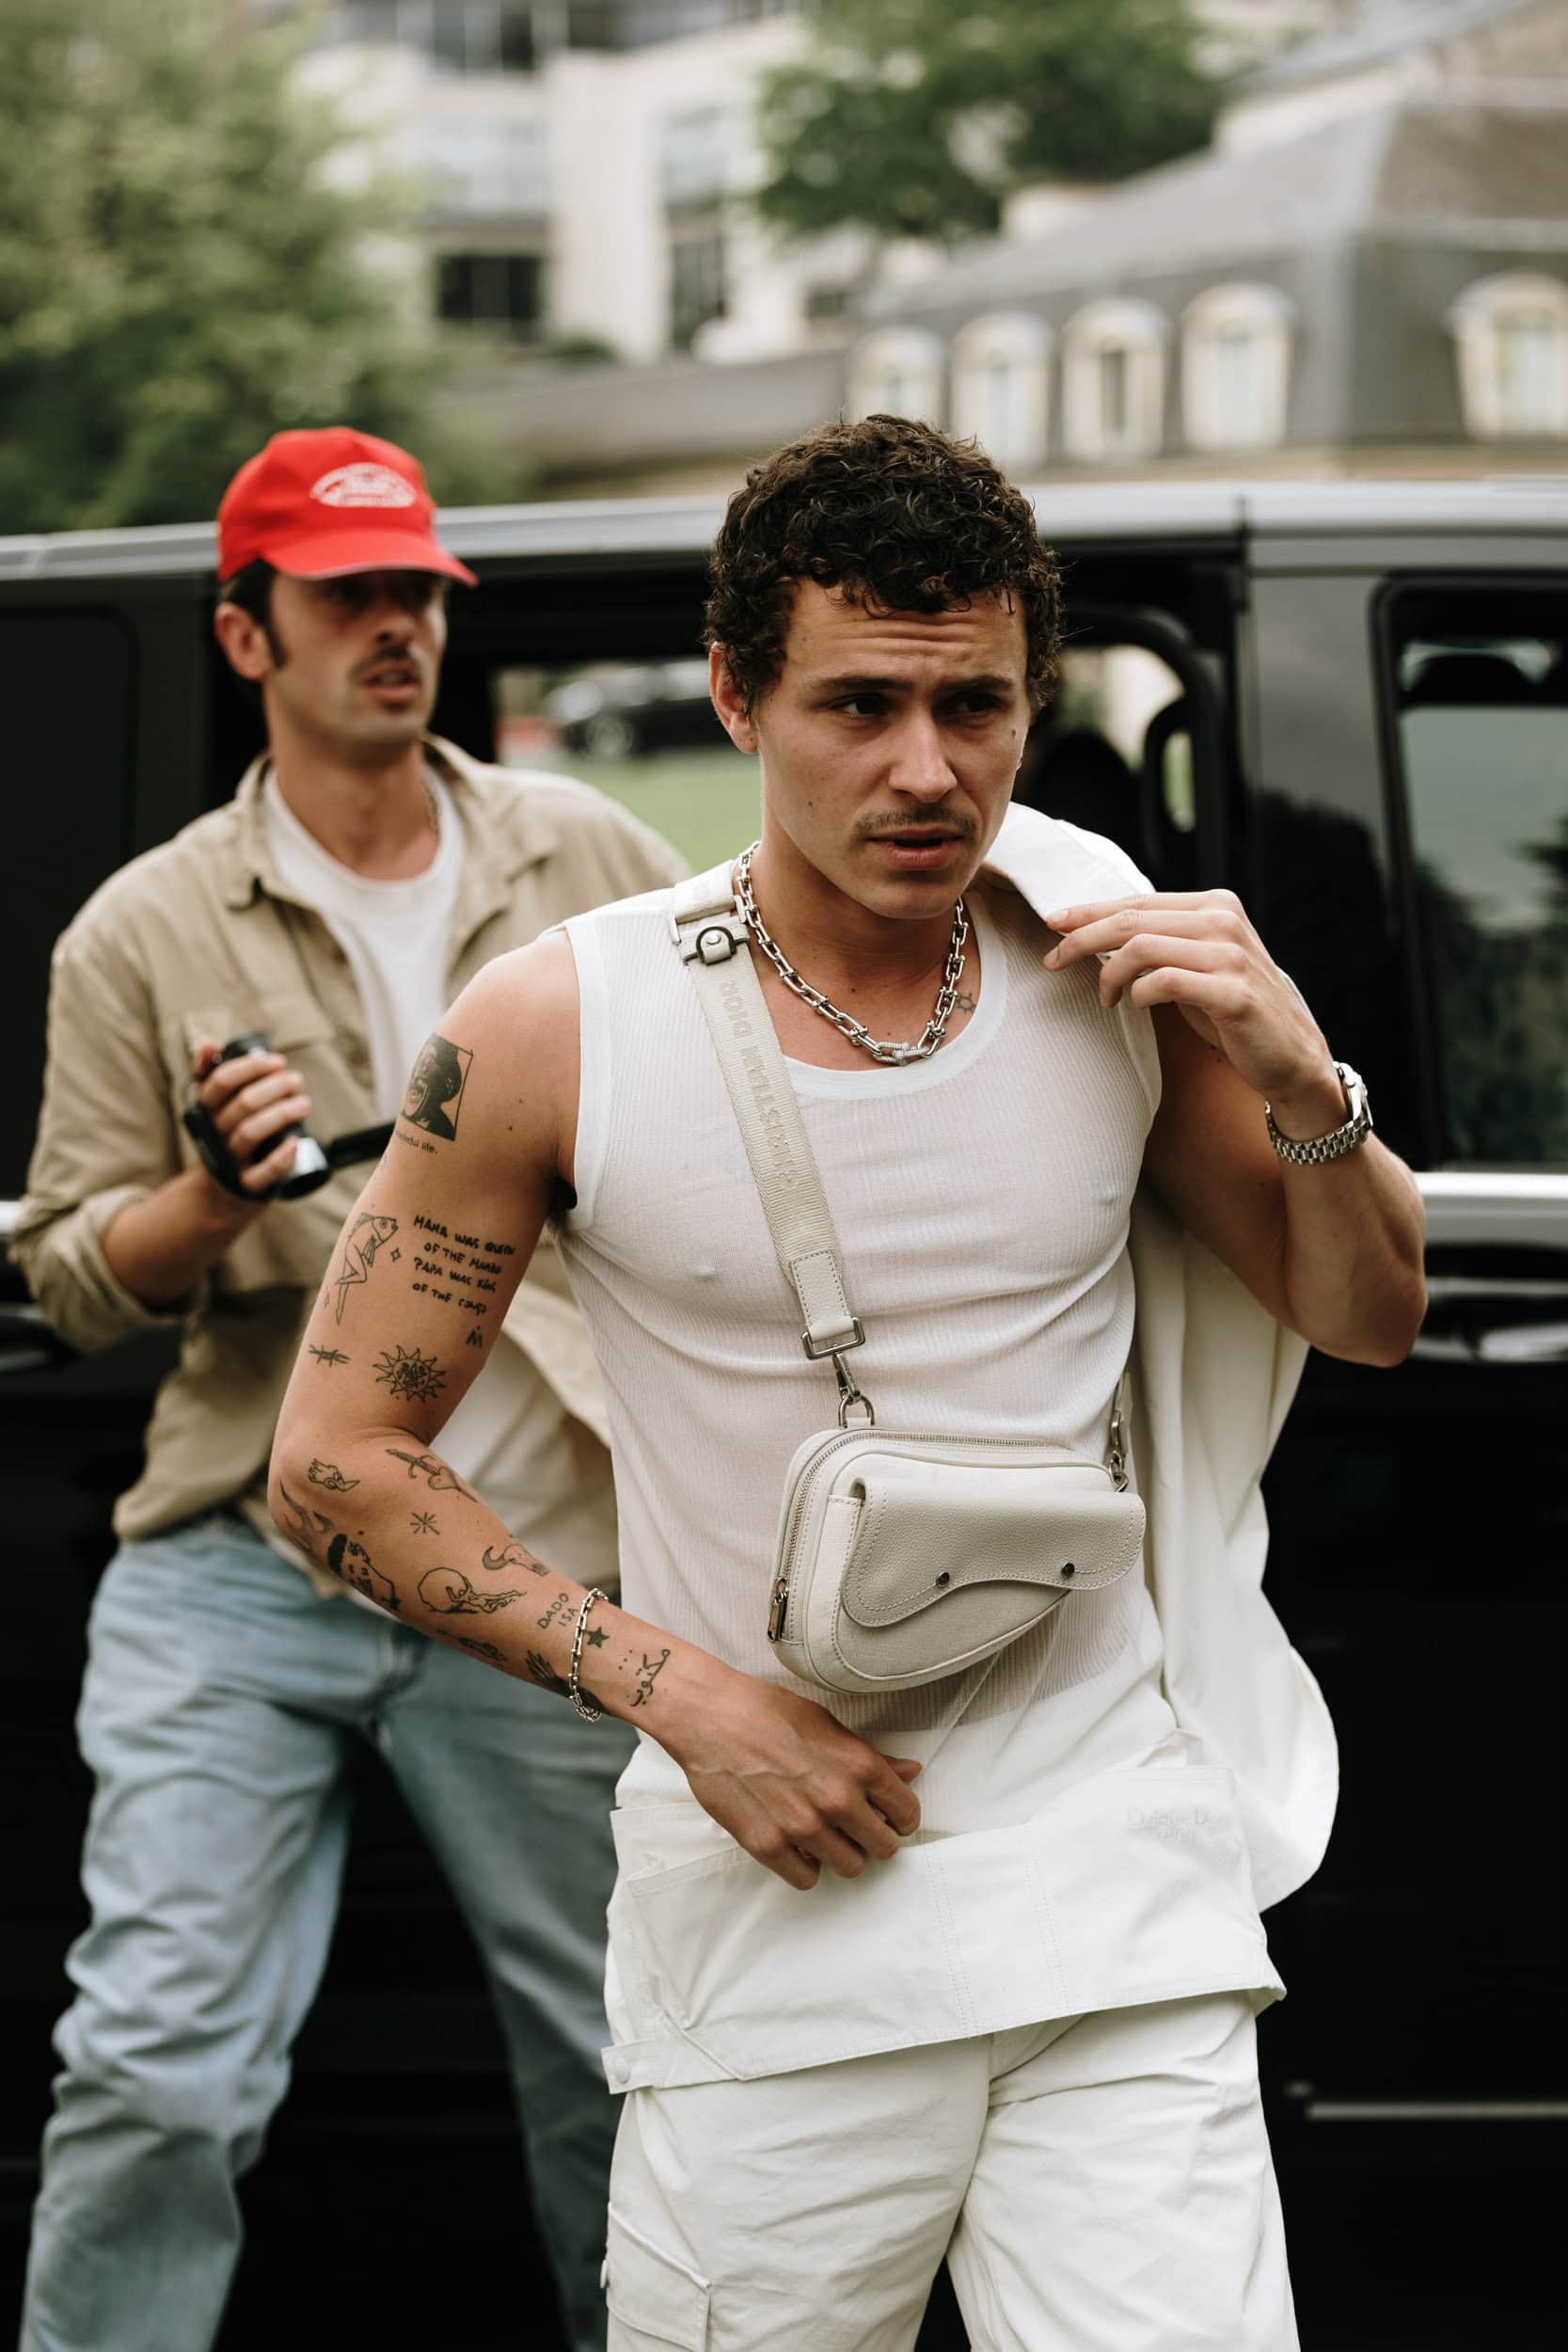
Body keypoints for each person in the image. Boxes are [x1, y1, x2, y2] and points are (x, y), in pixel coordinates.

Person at [269, 414, 1428, 2351]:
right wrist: (689, 1700)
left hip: (1112, 1884)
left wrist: (1309, 1079)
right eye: (859, 705)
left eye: (976, 705)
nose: (926, 768)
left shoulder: (1105, 964)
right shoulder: (563, 1024)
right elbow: (334, 1460)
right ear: (737, 696)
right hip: (779, 1911)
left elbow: (1369, 1312)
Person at [13, 425, 685, 2352]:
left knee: (632, 2064)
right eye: (345, 596)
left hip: (535, 1564)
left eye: (417, 593)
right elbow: (72, 1279)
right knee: (154, 2069)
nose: (396, 628)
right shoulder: (144, 925)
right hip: (244, 1563)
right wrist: (213, 1194)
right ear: (247, 636)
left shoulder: (594, 859)